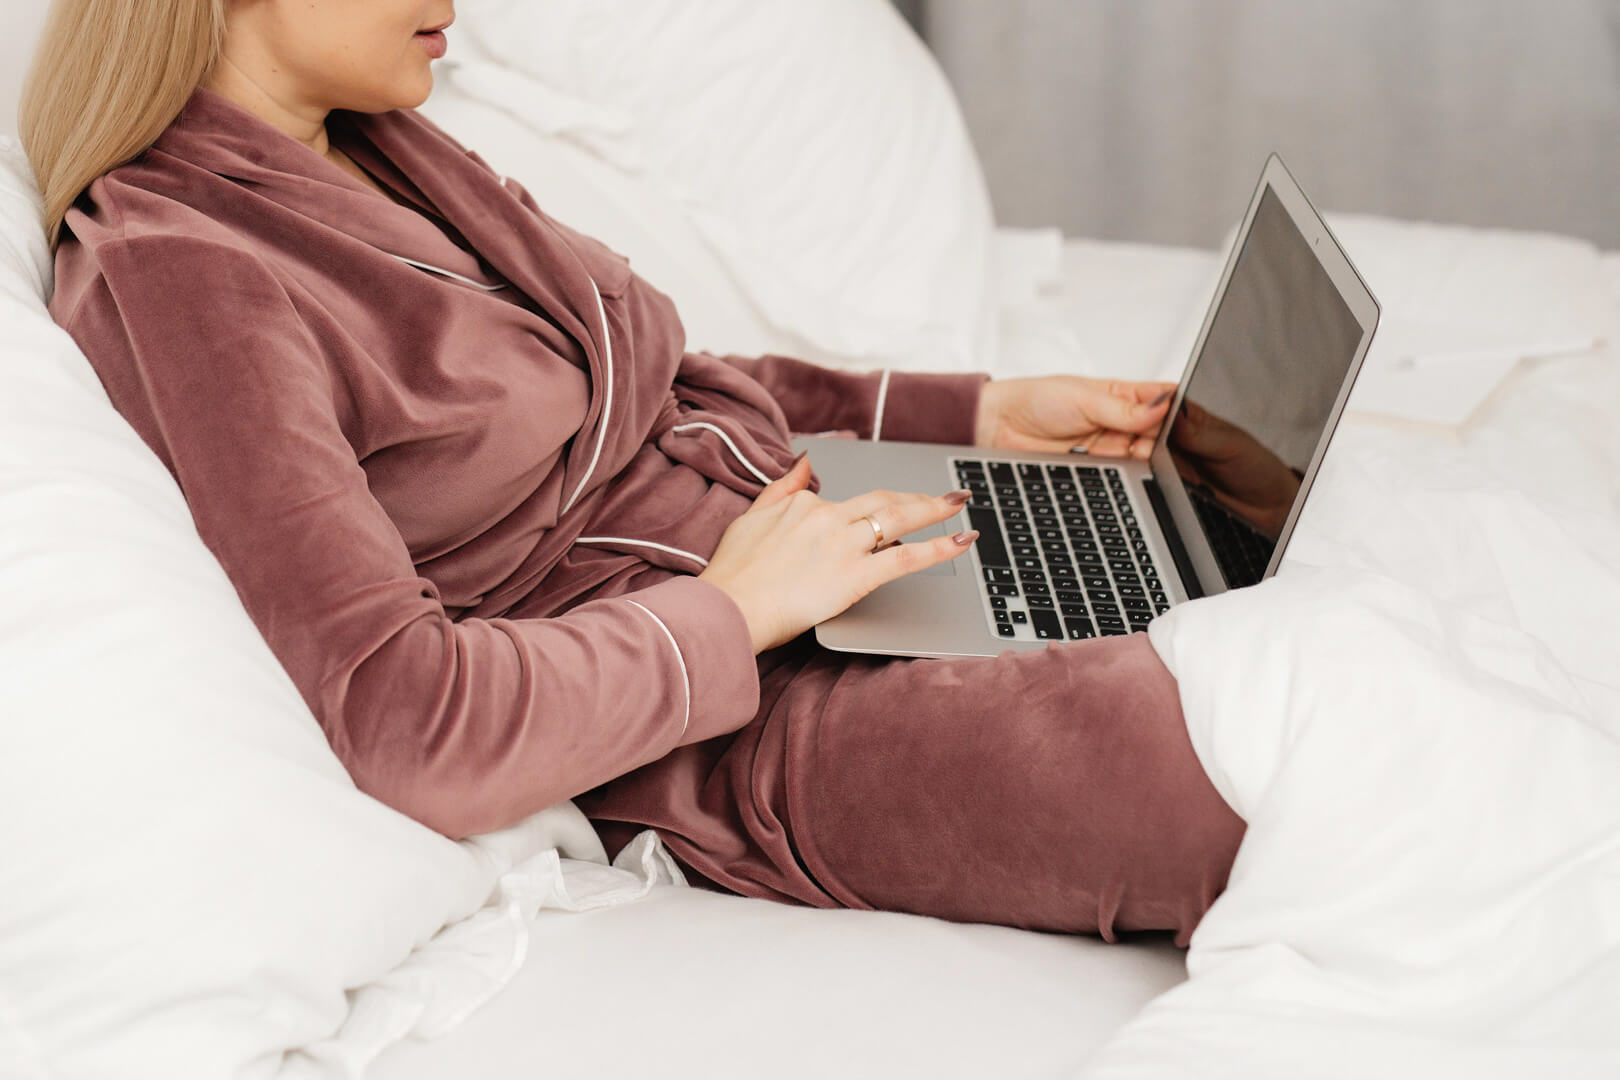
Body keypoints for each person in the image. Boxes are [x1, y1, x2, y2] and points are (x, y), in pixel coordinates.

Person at [23, 0, 1245, 943]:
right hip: (737, 713)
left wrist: (972, 408)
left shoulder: (379, 144)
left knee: (1216, 569)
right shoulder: (183, 273)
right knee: (1216, 751)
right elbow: (397, 720)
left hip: (818, 550)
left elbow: (648, 386)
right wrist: (733, 613)